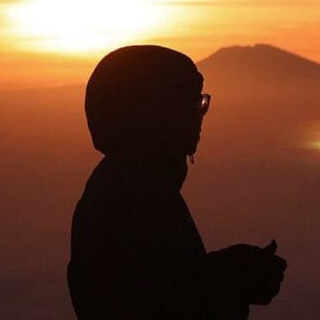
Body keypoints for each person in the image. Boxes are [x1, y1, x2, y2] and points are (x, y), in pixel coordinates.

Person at [68, 45, 286, 320]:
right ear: (158, 112)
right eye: (193, 103)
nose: (201, 114)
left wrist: (225, 269)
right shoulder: (142, 197)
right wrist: (233, 282)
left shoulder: (115, 185)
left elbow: (159, 281)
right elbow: (163, 307)